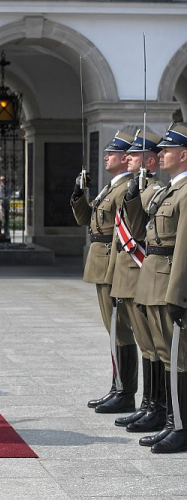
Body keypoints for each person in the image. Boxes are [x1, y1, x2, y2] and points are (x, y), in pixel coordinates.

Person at [125, 123, 187, 453]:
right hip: (152, 279)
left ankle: (180, 425)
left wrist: (177, 294)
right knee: (165, 355)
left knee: (178, 358)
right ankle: (169, 420)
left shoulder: (186, 192)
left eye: (167, 149)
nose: (160, 154)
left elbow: (184, 248)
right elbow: (142, 230)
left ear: (184, 154)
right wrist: (134, 197)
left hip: (167, 283)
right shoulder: (168, 191)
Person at [71, 131, 136, 413]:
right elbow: (87, 219)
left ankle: (124, 391)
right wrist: (78, 194)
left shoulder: (123, 189)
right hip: (99, 261)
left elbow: (118, 235)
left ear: (124, 159)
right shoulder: (111, 187)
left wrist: (113, 271)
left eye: (112, 153)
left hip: (109, 263)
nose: (106, 156)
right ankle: (117, 387)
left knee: (119, 330)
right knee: (112, 330)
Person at [109, 131, 167, 433]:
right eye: (127, 153)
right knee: (147, 345)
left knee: (156, 346)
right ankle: (148, 404)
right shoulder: (138, 188)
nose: (127, 158)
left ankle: (158, 407)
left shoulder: (155, 190)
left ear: (149, 160)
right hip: (131, 273)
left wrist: (135, 192)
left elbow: (137, 229)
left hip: (143, 272)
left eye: (134, 154)